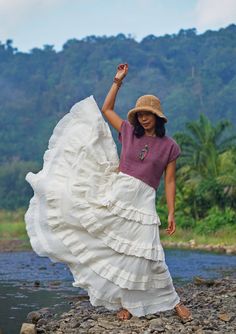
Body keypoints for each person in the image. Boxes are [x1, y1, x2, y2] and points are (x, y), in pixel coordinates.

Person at [25, 63, 192, 323]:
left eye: (148, 114)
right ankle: (122, 304)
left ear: (158, 116)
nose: (144, 118)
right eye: (140, 114)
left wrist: (171, 211)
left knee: (150, 253)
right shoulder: (127, 131)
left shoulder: (170, 146)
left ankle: (174, 302)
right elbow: (106, 110)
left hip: (145, 200)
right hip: (118, 195)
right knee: (115, 252)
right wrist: (117, 81)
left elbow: (169, 181)